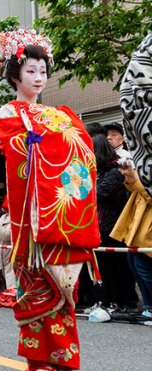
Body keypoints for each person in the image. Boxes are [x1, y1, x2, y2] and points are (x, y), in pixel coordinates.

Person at [0, 29, 100, 371]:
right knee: (36, 287)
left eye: (42, 71)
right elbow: (16, 156)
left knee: (63, 289)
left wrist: (50, 141)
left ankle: (64, 359)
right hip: (30, 220)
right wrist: (40, 143)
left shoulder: (59, 115)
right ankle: (38, 362)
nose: (38, 78)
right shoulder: (9, 113)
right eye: (30, 71)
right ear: (14, 74)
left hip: (59, 212)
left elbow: (81, 157)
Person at [113, 32, 152, 320]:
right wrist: (131, 177)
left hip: (146, 214)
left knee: (141, 264)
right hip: (141, 213)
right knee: (136, 262)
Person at [92, 134, 138, 313]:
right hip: (102, 227)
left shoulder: (114, 171)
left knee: (120, 268)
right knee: (106, 268)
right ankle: (110, 300)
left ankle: (126, 301)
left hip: (114, 227)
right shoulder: (102, 172)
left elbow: (99, 194)